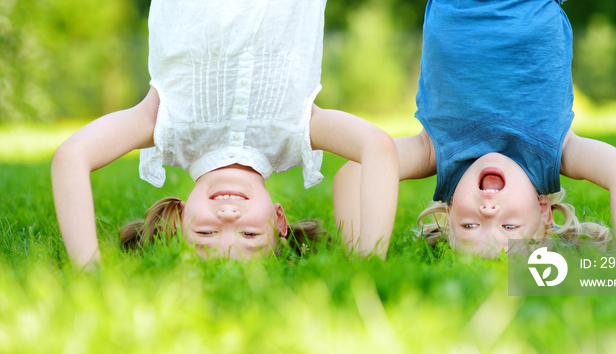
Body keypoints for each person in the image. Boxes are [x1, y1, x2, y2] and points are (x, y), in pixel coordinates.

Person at [51, 0, 399, 269]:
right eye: (250, 234)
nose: (228, 220)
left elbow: (72, 156)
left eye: (205, 234)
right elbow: (378, 146)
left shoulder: (163, 123)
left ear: (183, 214)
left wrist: (90, 273)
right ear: (279, 218)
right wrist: (366, 267)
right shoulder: (296, 130)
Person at [333, 0, 616, 257]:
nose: (488, 211)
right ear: (544, 212)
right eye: (509, 227)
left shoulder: (434, 153)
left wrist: (363, 260)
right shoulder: (556, 153)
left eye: (469, 226)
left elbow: (353, 174)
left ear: (451, 208)